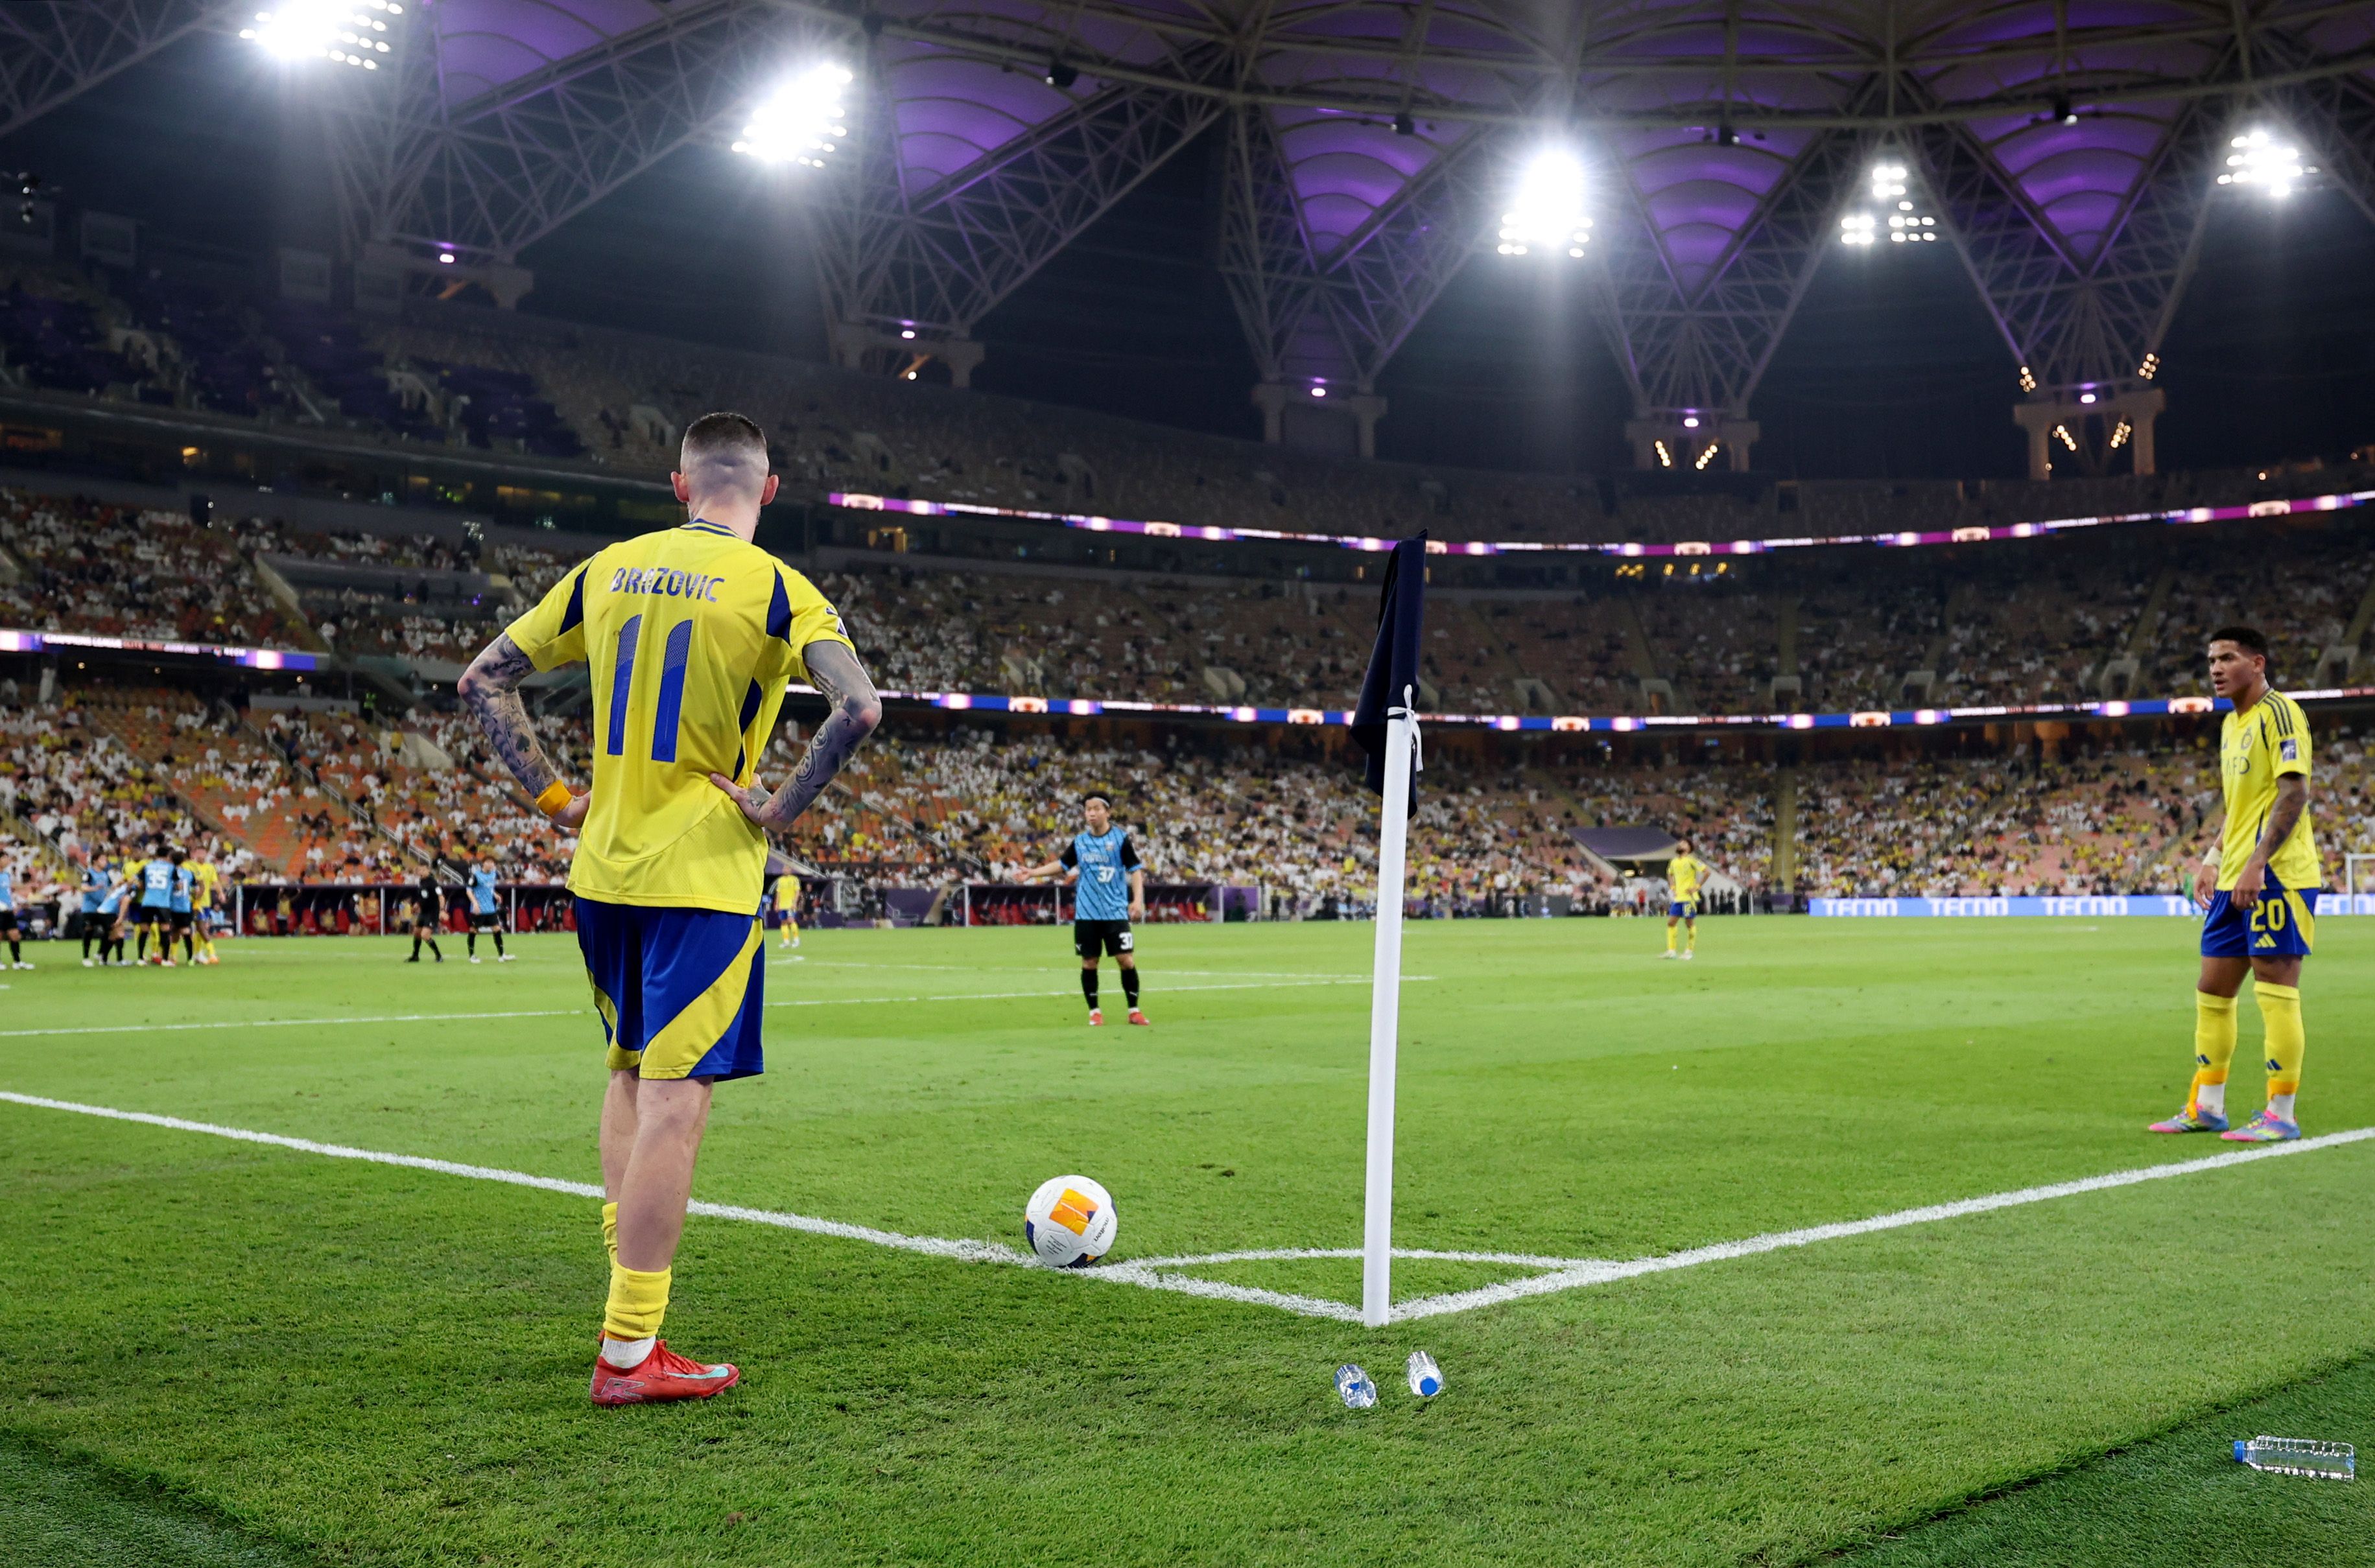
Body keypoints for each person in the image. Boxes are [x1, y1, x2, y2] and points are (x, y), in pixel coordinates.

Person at [458, 410, 879, 1407]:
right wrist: (777, 806)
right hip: (702, 876)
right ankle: (628, 1351)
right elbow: (858, 707)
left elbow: (484, 679)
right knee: (677, 1103)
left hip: (603, 868)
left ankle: (626, 1316)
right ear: (767, 491)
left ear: (679, 485)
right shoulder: (782, 588)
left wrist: (561, 799)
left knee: (629, 1070)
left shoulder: (608, 566)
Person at [2151, 626, 2323, 1143]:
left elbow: (2293, 793)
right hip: (2232, 878)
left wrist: (2257, 863)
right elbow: (2240, 807)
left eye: (2227, 658)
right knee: (2212, 989)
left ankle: (2281, 1112)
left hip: (2278, 876)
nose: (2216, 668)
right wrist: (2213, 856)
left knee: (2274, 988)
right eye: (2210, 660)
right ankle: (2206, 1106)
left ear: (2257, 662)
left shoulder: (2281, 714)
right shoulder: (2232, 725)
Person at [1019, 792, 1149, 1026]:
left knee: (1126, 960)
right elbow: (1062, 864)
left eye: (1096, 808)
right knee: (1089, 962)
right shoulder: (1080, 842)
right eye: (1088, 809)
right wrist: (1032, 873)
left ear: (1107, 812)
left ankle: (1134, 1010)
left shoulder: (1120, 839)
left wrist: (1137, 900)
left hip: (1115, 913)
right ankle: (1095, 1012)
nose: (1091, 813)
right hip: (1087, 914)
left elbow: (1136, 870)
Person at [1662, 840, 1712, 961]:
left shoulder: (1691, 860)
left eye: (1684, 844)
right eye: (1680, 843)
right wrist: (1673, 887)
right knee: (1671, 923)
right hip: (1678, 898)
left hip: (1689, 898)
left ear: (1689, 848)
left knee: (1689, 924)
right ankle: (1671, 951)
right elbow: (1669, 874)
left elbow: (1707, 872)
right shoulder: (1674, 861)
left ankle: (1689, 951)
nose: (1680, 845)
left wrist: (1697, 887)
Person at [133, 843, 177, 966]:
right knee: (165, 930)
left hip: (147, 901)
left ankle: (141, 959)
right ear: (168, 856)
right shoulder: (171, 868)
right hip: (163, 903)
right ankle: (165, 960)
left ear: (156, 855)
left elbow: (139, 884)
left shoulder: (147, 866)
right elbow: (178, 885)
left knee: (144, 930)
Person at [465, 858, 510, 963]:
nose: (491, 865)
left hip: (490, 908)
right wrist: (475, 903)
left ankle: (502, 955)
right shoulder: (476, 876)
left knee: (497, 929)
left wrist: (495, 894)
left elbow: (489, 888)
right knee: (473, 931)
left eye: (492, 863)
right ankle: (472, 956)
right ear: (483, 864)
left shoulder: (493, 874)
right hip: (479, 909)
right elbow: (468, 890)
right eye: (488, 862)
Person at [167, 848, 197, 966]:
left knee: (173, 931)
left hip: (171, 905)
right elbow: (195, 889)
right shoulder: (189, 873)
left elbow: (174, 886)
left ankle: (172, 957)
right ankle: (190, 958)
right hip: (185, 906)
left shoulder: (169, 872)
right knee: (186, 931)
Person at [408, 871, 445, 963]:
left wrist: (441, 910)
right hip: (424, 912)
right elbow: (423, 897)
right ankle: (415, 956)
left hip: (432, 913)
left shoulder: (434, 883)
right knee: (417, 933)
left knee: (425, 935)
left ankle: (439, 956)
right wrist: (417, 904)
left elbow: (441, 897)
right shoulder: (421, 882)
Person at [0, 859, 28, 970]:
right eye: (4, 858)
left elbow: (8, 893)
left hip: (9, 910)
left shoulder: (6, 875)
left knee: (15, 935)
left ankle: (17, 962)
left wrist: (13, 904)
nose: (7, 861)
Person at [771, 870, 801, 950]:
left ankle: (796, 940)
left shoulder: (795, 879)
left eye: (787, 869)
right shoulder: (780, 880)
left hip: (790, 905)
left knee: (791, 921)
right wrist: (777, 904)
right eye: (784, 869)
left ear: (790, 870)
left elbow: (797, 892)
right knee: (783, 923)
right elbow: (778, 893)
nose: (785, 870)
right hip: (782, 905)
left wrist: (795, 903)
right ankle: (786, 942)